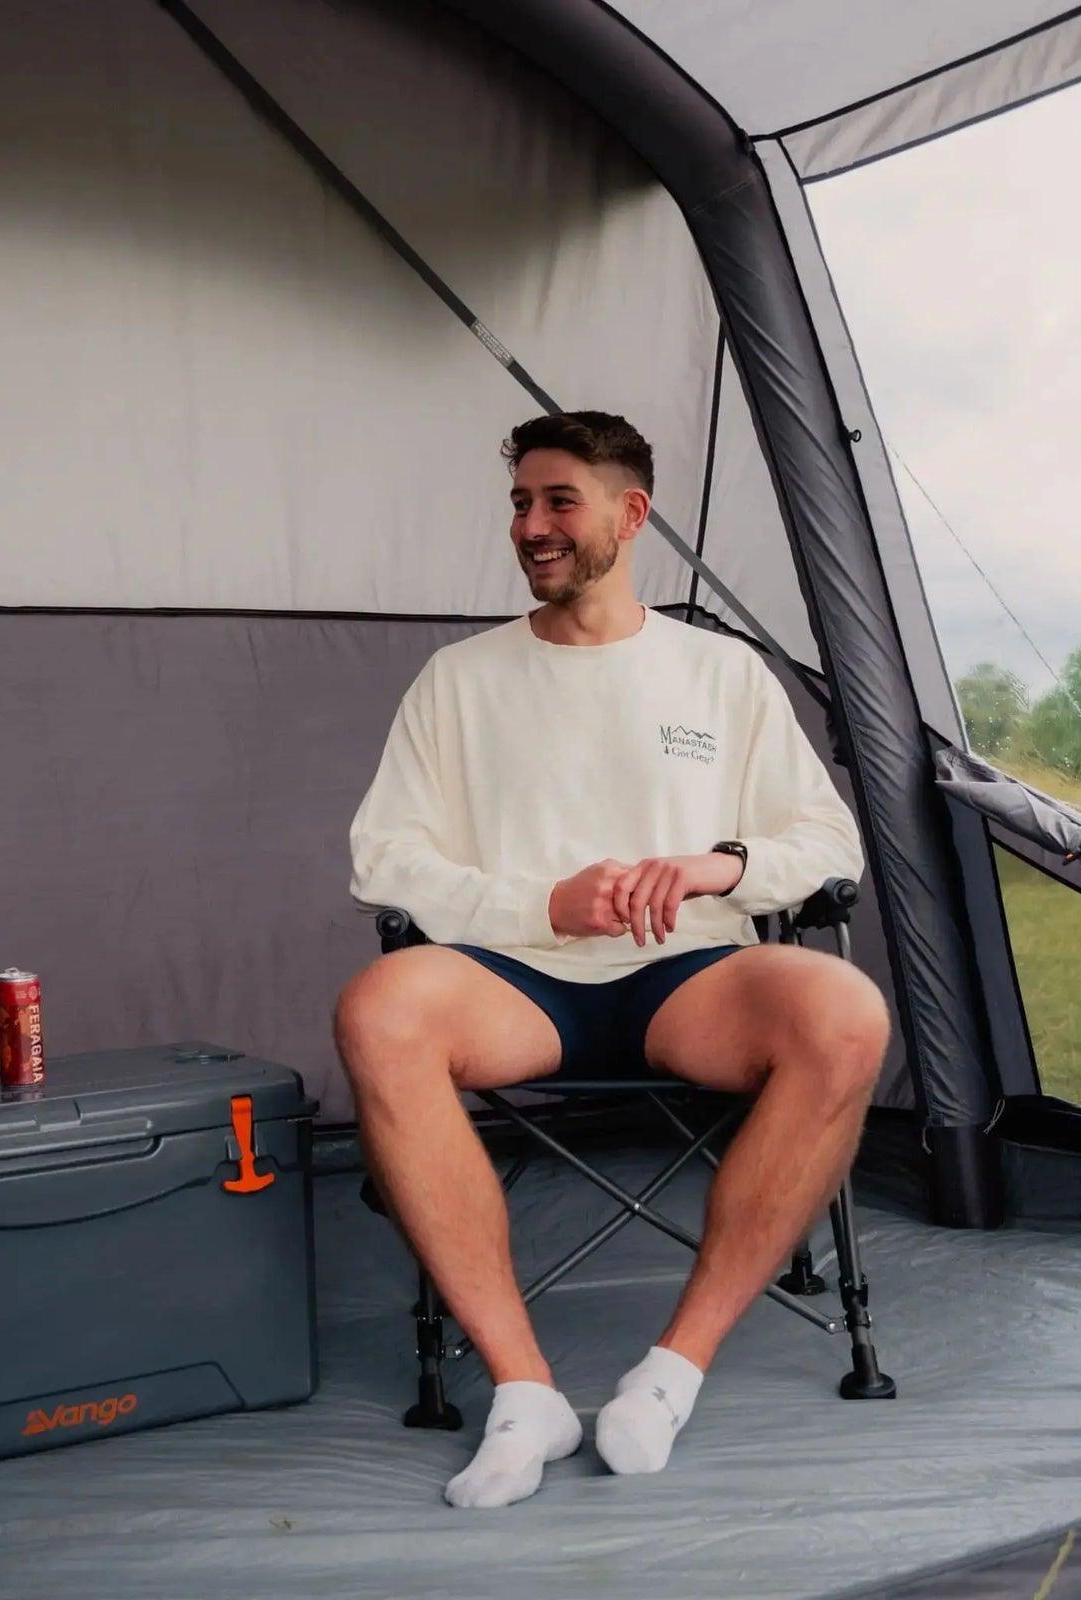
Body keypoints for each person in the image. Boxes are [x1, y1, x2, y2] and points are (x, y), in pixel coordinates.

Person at [337, 411, 888, 1509]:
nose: (531, 527)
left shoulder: (720, 675)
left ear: (629, 516)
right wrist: (542, 899)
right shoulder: (458, 680)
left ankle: (670, 1373)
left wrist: (713, 868)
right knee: (379, 1007)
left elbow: (830, 844)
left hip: (690, 977)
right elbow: (383, 856)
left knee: (844, 1011)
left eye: (556, 503)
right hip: (513, 977)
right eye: (518, 505)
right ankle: (522, 1388)